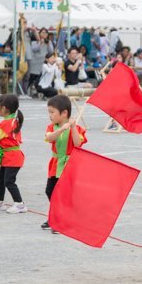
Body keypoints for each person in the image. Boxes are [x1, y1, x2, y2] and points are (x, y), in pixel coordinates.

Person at [41, 95, 87, 232]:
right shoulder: (51, 127)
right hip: (56, 164)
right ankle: (56, 216)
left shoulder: (77, 128)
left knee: (64, 194)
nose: (50, 115)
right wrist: (61, 129)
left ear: (64, 113)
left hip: (69, 165)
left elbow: (78, 144)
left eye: (52, 112)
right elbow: (49, 138)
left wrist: (72, 127)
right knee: (50, 191)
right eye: (49, 112)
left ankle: (63, 219)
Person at [0, 94, 27, 214]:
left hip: (12, 157)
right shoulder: (12, 120)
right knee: (0, 180)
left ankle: (19, 204)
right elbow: (7, 139)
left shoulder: (6, 123)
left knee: (9, 181)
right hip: (9, 155)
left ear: (4, 108)